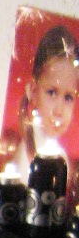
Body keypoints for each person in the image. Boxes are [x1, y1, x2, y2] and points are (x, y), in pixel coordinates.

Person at [10, 24, 79, 197]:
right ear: (33, 91)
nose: (59, 110)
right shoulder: (27, 157)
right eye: (52, 93)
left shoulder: (61, 158)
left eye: (68, 97)